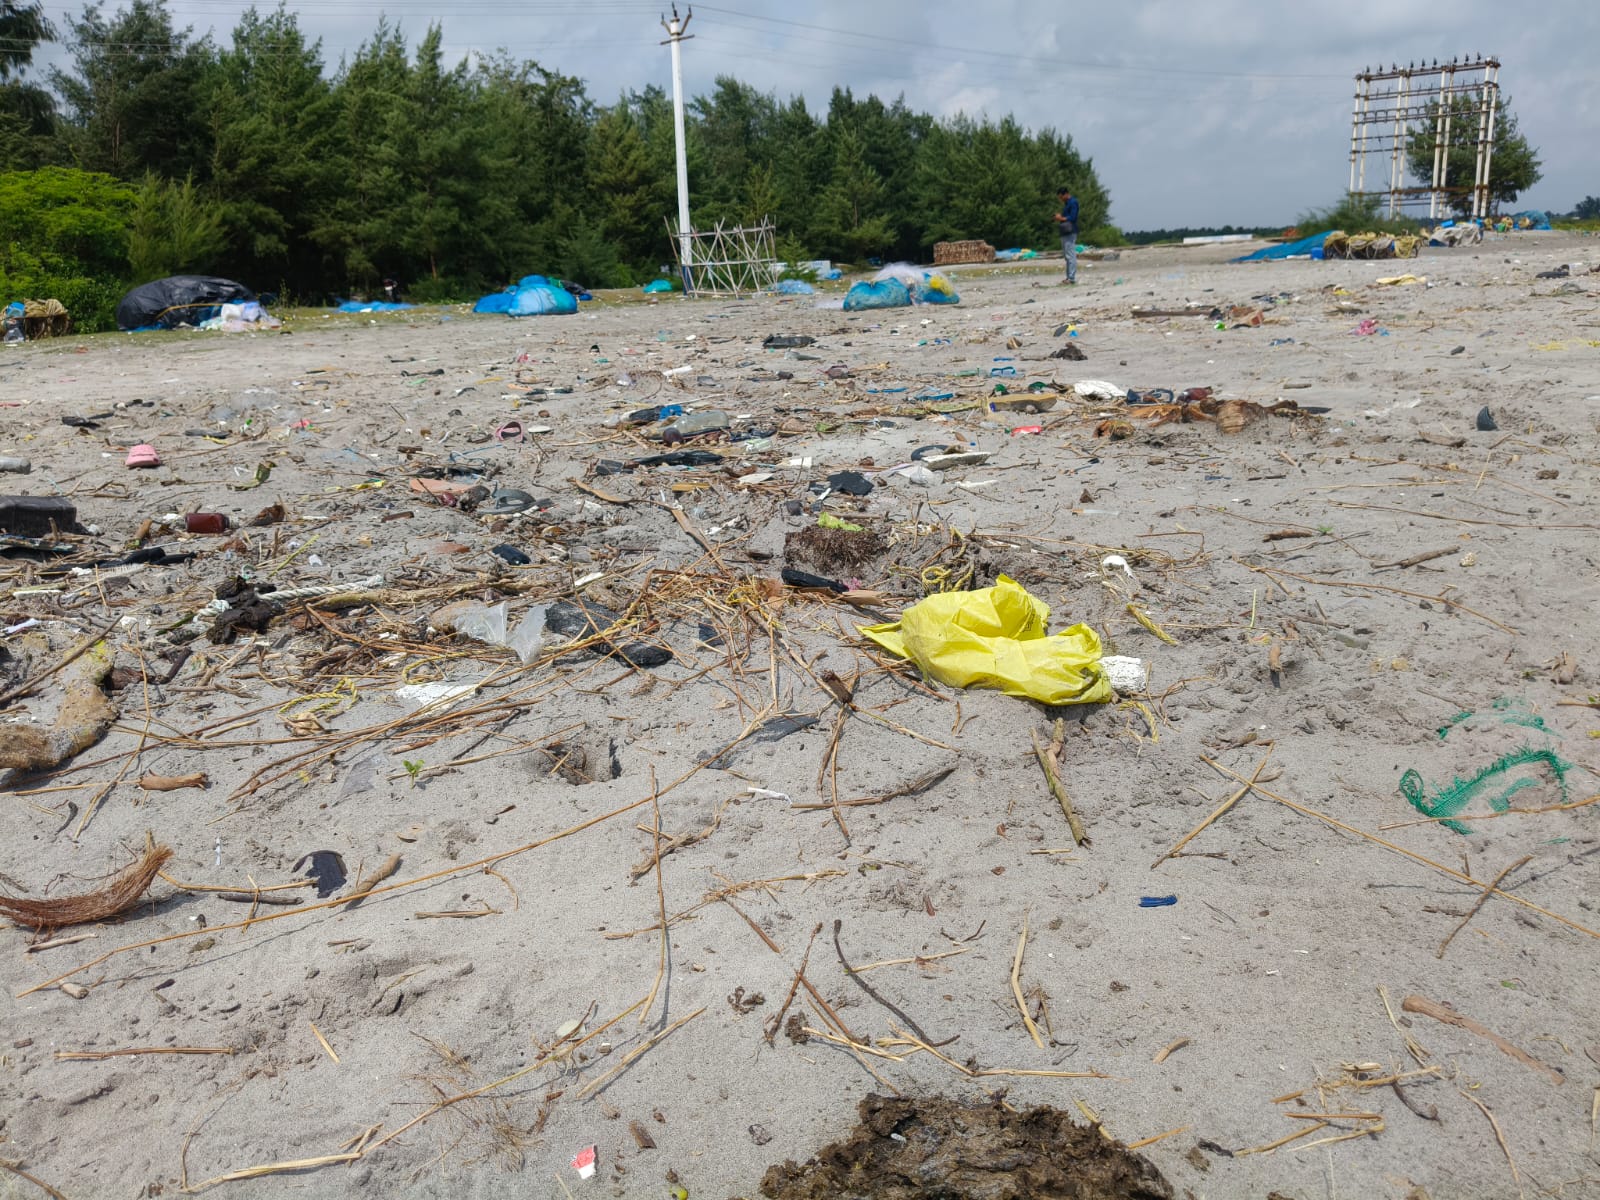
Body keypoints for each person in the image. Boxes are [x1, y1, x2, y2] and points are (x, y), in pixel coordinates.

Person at [1054, 186, 1080, 285]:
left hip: (1070, 231)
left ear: (1065, 194)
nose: (1060, 199)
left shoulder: (1073, 202)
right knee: (1066, 256)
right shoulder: (1067, 204)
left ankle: (1071, 278)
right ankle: (1068, 277)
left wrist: (1060, 218)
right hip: (1065, 232)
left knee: (1070, 255)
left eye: (1061, 197)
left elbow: (1073, 217)